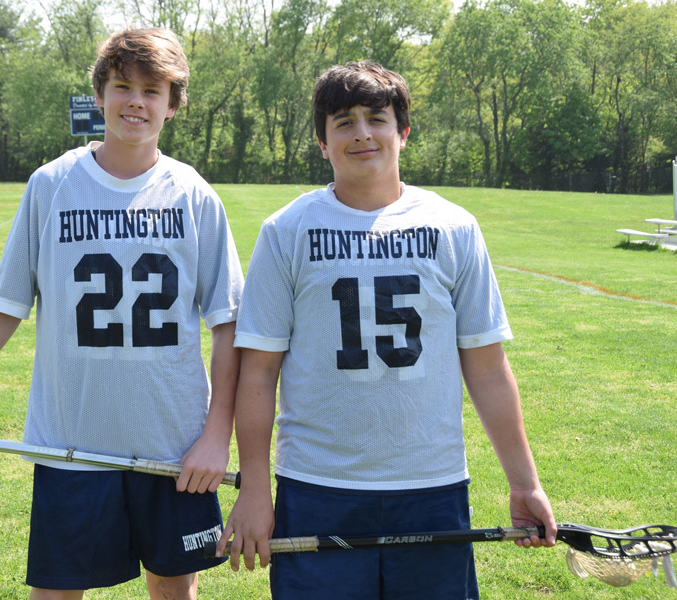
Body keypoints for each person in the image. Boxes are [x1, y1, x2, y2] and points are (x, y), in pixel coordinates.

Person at [0, 28, 244, 600]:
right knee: (57, 591)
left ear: (173, 104)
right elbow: (4, 305)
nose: (136, 101)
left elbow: (227, 323)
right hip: (71, 440)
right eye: (122, 86)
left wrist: (215, 434)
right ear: (100, 95)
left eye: (152, 90)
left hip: (172, 444)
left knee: (174, 586)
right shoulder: (53, 185)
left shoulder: (193, 195)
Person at [214, 61, 556, 599]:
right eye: (343, 122)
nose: (362, 133)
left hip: (431, 483)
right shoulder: (287, 230)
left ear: (403, 131)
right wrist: (256, 486)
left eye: (376, 118)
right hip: (318, 484)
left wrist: (525, 482)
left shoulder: (454, 227)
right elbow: (258, 372)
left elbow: (487, 368)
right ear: (322, 142)